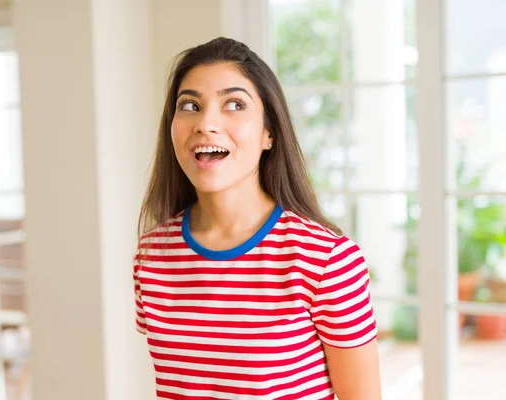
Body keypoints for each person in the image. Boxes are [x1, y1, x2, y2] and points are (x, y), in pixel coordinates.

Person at [133, 37, 381, 400]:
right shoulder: (153, 254)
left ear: (269, 132)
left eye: (234, 104)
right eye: (190, 105)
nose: (206, 123)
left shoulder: (327, 260)